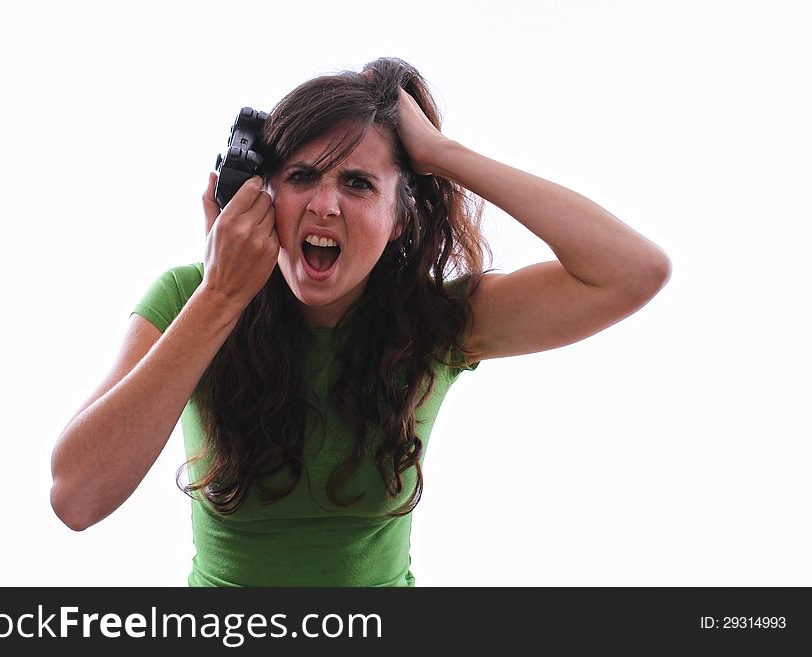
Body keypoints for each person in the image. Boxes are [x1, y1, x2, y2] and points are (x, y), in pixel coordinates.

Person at [50, 57, 671, 587]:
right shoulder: (192, 296)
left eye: (357, 183)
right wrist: (221, 297)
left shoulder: (432, 321)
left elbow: (633, 271)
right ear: (260, 196)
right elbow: (75, 498)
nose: (325, 203)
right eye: (301, 176)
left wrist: (441, 154)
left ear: (399, 217)